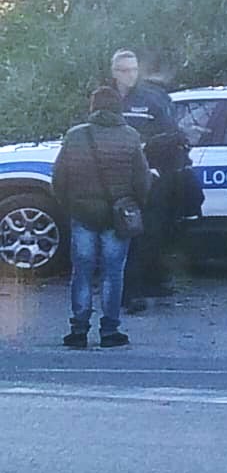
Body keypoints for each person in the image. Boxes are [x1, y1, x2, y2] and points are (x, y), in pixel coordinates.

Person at [51, 87, 152, 349]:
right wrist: (134, 205)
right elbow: (142, 180)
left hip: (83, 215)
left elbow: (58, 179)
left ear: (93, 107)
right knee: (113, 273)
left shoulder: (75, 136)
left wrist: (70, 206)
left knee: (82, 273)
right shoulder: (130, 136)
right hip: (117, 216)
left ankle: (78, 330)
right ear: (118, 107)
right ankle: (109, 332)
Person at [110, 49, 187, 308]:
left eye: (133, 69)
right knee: (127, 234)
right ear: (114, 72)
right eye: (124, 70)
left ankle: (144, 286)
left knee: (147, 233)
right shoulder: (107, 100)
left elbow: (171, 137)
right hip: (119, 177)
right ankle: (131, 289)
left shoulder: (150, 99)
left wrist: (156, 167)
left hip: (150, 177)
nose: (129, 75)